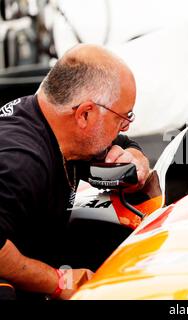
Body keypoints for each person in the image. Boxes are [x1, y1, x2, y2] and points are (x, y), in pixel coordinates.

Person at [0, 44, 151, 299]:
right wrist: (58, 281)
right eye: (123, 117)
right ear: (85, 115)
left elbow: (128, 148)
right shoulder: (21, 161)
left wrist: (135, 164)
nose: (125, 126)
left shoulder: (61, 127)